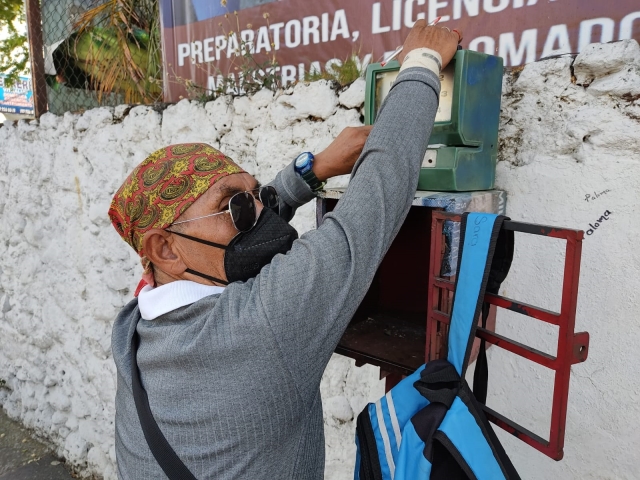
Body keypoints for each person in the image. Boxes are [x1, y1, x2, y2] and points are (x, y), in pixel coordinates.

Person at [109, 20, 462, 480]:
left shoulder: (131, 325)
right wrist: (423, 62)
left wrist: (312, 171)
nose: (257, 211)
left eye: (252, 194)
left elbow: (249, 217)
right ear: (167, 249)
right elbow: (375, 198)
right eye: (235, 206)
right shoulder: (264, 322)